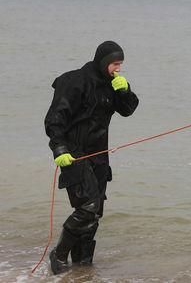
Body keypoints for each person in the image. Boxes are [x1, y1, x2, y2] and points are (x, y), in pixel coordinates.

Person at [44, 40, 139, 274]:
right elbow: (54, 120)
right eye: (115, 64)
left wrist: (124, 90)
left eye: (121, 65)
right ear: (104, 61)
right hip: (73, 154)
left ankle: (83, 265)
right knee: (87, 207)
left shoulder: (112, 85)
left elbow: (128, 110)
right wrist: (59, 149)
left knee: (95, 213)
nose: (118, 68)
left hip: (99, 156)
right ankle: (58, 255)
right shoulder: (73, 81)